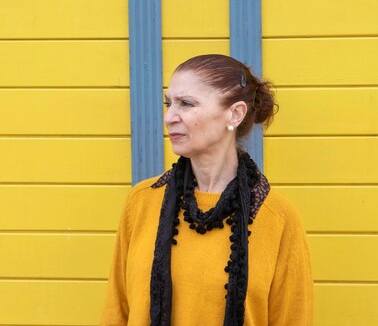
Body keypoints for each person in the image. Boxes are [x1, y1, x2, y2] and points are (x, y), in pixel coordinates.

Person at [100, 54, 313, 326]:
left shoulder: (278, 219)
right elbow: (115, 312)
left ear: (235, 114)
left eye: (186, 104)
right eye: (169, 103)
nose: (169, 117)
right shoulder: (142, 202)